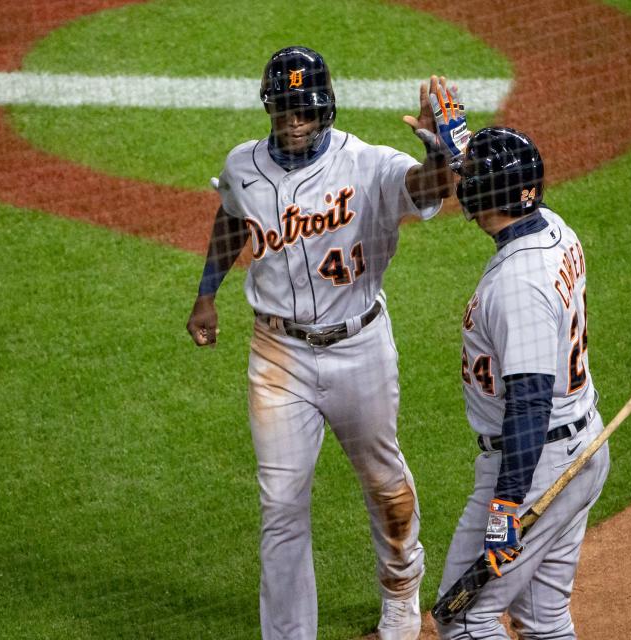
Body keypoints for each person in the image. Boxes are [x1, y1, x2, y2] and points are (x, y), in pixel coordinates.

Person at [185, 46, 469, 640]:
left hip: (359, 349)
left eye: (304, 111)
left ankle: (400, 590)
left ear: (326, 110)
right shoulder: (243, 165)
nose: (293, 121)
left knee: (382, 481)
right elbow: (232, 217)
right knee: (281, 508)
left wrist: (440, 154)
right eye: (284, 109)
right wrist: (206, 292)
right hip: (277, 354)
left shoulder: (366, 163)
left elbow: (426, 188)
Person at [434, 127, 608, 639]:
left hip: (535, 468)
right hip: (580, 444)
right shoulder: (553, 226)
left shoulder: (518, 286)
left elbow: (529, 402)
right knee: (543, 619)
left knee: (463, 620)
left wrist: (506, 505)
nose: (462, 181)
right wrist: (457, 142)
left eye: (469, 175)